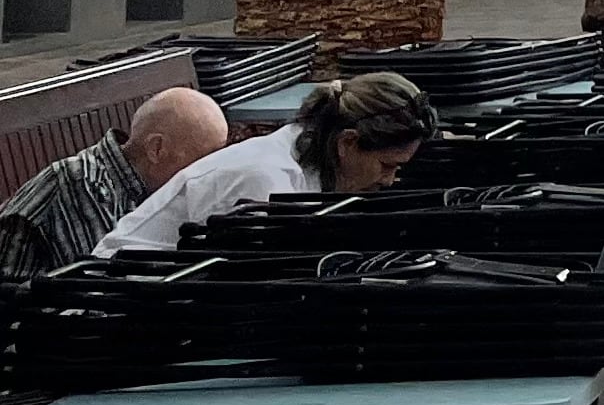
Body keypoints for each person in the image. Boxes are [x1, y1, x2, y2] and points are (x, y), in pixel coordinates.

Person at [100, 72, 437, 254]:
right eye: (386, 165)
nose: (390, 180)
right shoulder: (266, 180)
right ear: (347, 143)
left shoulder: (302, 157)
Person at [0, 87, 228, 277]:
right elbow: (105, 282)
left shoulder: (140, 186)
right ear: (156, 149)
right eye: (201, 161)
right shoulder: (84, 184)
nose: (204, 173)